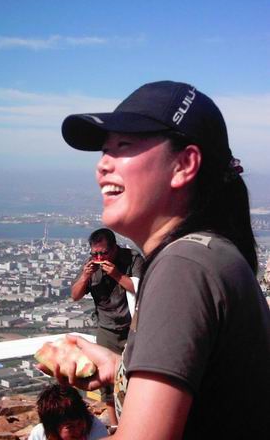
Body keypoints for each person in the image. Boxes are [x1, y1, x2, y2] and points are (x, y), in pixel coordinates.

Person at [39, 80, 270, 439]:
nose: (102, 165)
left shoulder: (183, 268)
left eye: (123, 146)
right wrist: (119, 367)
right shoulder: (211, 252)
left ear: (184, 164)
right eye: (105, 150)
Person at [71, 228, 143, 425]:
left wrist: (117, 275)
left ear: (114, 248)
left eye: (103, 253)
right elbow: (75, 295)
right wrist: (85, 277)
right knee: (107, 383)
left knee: (135, 376)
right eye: (95, 254)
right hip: (106, 329)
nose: (99, 258)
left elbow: (142, 288)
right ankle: (115, 425)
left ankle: (136, 421)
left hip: (133, 327)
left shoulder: (132, 259)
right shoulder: (90, 264)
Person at [28, 383, 107, 440]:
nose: (78, 431)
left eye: (79, 423)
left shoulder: (96, 429)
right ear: (53, 428)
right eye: (70, 427)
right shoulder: (39, 435)